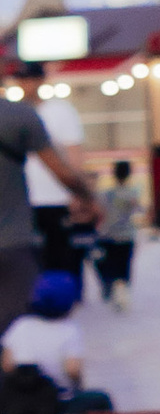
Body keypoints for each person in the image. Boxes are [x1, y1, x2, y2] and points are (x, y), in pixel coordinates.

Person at [0, 93, 97, 340]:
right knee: (15, 328)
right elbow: (62, 172)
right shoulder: (19, 115)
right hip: (13, 241)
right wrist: (88, 197)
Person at [92, 157, 141, 308]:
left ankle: (109, 284)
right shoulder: (133, 193)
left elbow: (97, 213)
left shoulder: (105, 194)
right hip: (126, 235)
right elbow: (138, 211)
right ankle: (122, 294)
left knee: (105, 262)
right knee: (124, 265)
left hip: (106, 235)